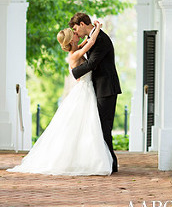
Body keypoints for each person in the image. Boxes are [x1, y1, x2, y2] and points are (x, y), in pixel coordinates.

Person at [8, 22, 112, 176]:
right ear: (71, 40)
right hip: (84, 90)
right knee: (84, 124)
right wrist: (98, 28)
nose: (77, 33)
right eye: (74, 33)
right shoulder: (74, 55)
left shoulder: (77, 48)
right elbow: (90, 42)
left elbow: (87, 42)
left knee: (88, 126)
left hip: (87, 90)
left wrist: (93, 32)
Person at [69, 12, 121, 173]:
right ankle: (108, 162)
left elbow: (92, 63)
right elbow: (85, 46)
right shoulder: (94, 36)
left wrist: (74, 71)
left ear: (83, 24)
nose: (76, 32)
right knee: (100, 126)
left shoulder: (100, 39)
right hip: (98, 87)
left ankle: (110, 163)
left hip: (106, 88)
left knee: (104, 126)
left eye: (76, 28)